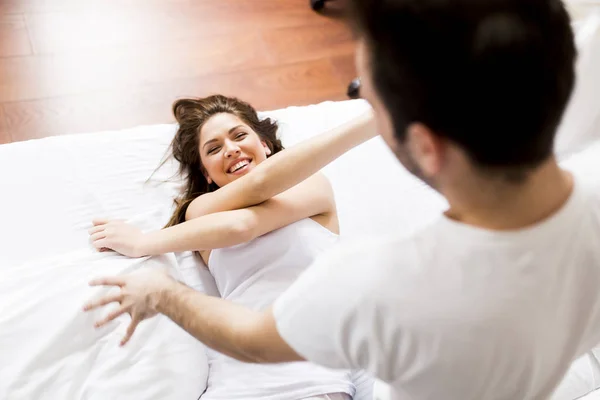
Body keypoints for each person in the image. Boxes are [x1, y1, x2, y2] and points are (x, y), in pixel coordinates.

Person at [84, 0, 600, 399]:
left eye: (367, 93)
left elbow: (251, 337)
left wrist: (163, 289)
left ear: (424, 143)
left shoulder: (375, 284)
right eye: (213, 149)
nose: (232, 152)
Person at [87, 94, 376, 400]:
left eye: (239, 135)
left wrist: (145, 241)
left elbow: (252, 208)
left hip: (308, 380)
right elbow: (240, 224)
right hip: (233, 382)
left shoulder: (313, 185)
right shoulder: (199, 210)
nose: (231, 149)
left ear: (264, 144)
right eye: (214, 149)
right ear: (207, 175)